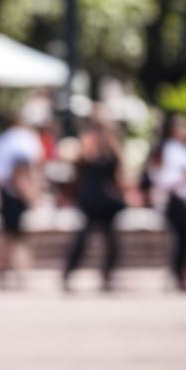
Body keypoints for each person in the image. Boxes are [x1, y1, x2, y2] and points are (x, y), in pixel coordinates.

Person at [63, 117, 127, 292]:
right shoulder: (87, 148)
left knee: (111, 240)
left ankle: (107, 275)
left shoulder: (112, 150)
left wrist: (122, 193)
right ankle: (68, 273)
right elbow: (76, 169)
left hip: (107, 200)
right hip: (90, 198)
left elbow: (118, 175)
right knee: (83, 239)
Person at [0, 105, 44, 289]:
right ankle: (18, 271)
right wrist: (31, 192)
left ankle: (5, 271)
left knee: (7, 234)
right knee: (17, 236)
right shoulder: (26, 140)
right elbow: (30, 167)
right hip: (18, 191)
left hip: (7, 191)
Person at [154, 113, 186, 291]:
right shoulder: (171, 148)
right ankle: (179, 273)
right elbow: (185, 172)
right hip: (175, 198)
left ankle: (179, 272)